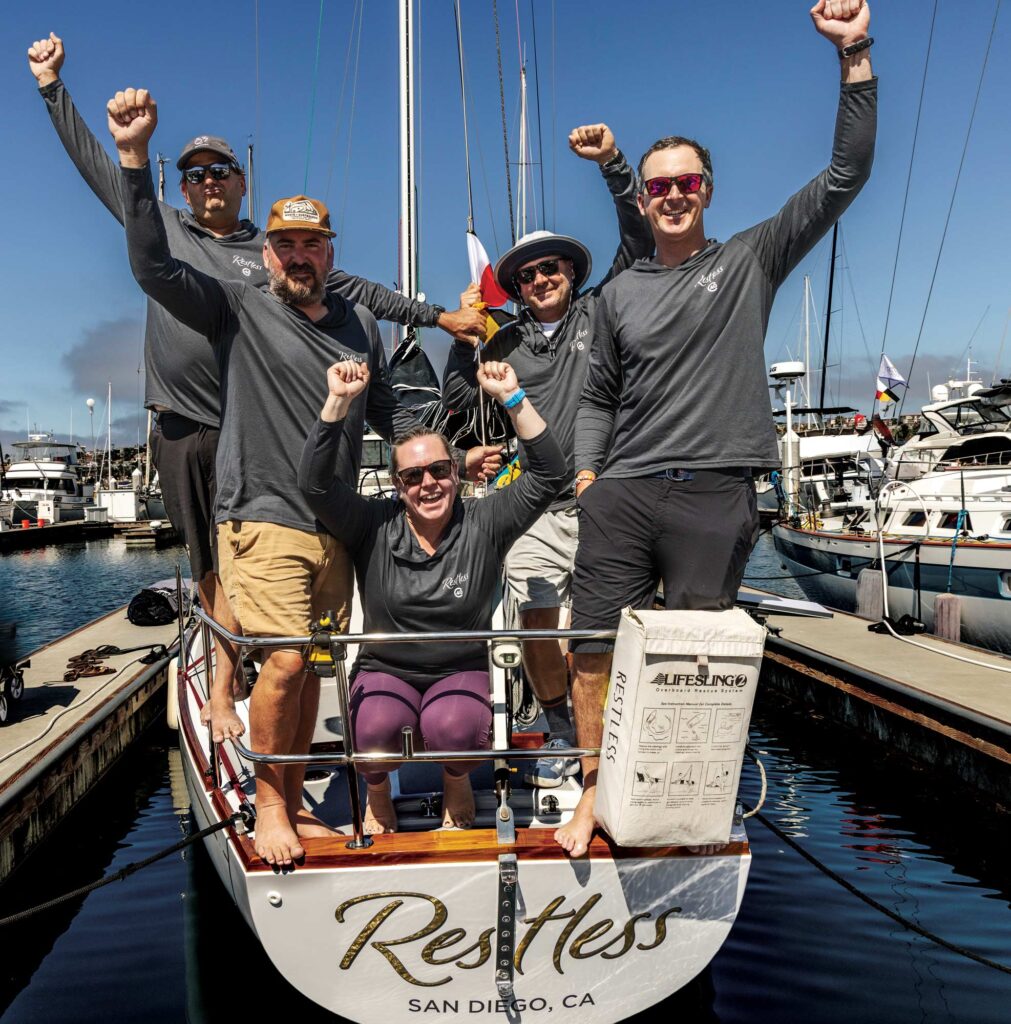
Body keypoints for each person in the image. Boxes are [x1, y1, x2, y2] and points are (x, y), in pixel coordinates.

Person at [27, 31, 487, 745]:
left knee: (267, 581)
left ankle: (254, 674)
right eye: (194, 175)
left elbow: (360, 294)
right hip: (186, 421)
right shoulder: (165, 230)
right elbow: (106, 180)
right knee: (211, 567)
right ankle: (221, 686)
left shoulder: (275, 255)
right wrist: (55, 91)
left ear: (243, 182)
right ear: (180, 188)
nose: (208, 182)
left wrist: (436, 317)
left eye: (221, 171)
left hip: (261, 426)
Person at [107, 87, 499, 867]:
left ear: (328, 252)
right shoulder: (236, 308)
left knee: (315, 664)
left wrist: (446, 461)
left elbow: (389, 414)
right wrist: (131, 159)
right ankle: (271, 807)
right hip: (260, 514)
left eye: (310, 244)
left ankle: (290, 798)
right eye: (283, 243)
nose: (296, 256)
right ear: (267, 254)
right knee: (285, 659)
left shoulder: (358, 325)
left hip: (334, 523)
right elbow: (152, 265)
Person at [559, 0, 877, 856]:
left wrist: (853, 55)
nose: (671, 196)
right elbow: (596, 398)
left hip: (714, 492)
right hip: (622, 493)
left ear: (707, 190)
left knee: (693, 663)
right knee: (590, 650)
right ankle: (592, 792)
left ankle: (677, 808)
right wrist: (588, 479)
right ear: (643, 197)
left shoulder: (749, 260)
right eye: (657, 186)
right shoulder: (617, 293)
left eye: (685, 183)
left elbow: (844, 175)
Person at [442, 124, 653, 789]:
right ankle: (561, 727)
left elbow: (639, 239)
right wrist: (464, 335)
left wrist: (613, 166)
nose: (539, 279)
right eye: (527, 275)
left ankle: (609, 737)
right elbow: (456, 398)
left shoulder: (601, 313)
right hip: (534, 505)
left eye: (550, 268)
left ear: (571, 274)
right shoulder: (503, 341)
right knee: (535, 624)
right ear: (516, 287)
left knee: (604, 631)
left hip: (604, 498)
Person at [299, 359, 566, 833]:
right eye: (413, 476)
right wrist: (337, 402)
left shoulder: (486, 521)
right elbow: (315, 486)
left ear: (456, 473)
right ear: (398, 486)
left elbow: (549, 474)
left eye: (439, 470)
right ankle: (376, 790)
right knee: (374, 730)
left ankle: (454, 778)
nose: (428, 484)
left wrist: (513, 398)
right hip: (385, 668)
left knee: (455, 728)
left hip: (460, 669)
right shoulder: (372, 524)